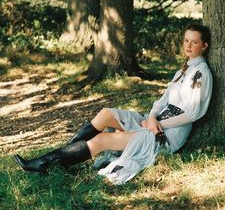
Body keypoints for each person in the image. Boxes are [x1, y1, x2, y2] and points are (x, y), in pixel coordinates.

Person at [14, 23, 213, 185]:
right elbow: (162, 101)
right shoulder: (182, 71)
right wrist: (152, 117)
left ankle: (44, 163)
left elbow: (195, 113)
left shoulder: (201, 73)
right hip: (154, 124)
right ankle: (63, 159)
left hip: (166, 136)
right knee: (106, 113)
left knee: (102, 139)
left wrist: (158, 125)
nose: (188, 46)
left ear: (204, 46)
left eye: (194, 42)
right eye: (186, 40)